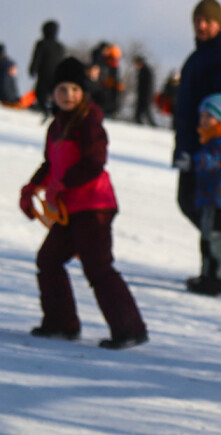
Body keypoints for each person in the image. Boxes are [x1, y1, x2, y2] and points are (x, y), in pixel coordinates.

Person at [19, 58, 147, 349]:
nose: (68, 95)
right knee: (49, 260)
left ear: (83, 92)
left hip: (94, 207)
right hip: (70, 210)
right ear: (53, 93)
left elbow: (95, 162)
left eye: (75, 89)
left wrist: (62, 185)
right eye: (62, 89)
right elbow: (51, 164)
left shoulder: (89, 121)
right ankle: (61, 323)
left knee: (97, 266)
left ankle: (130, 329)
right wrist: (31, 188)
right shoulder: (55, 127)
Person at [174, 0, 221, 281]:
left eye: (207, 21)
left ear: (219, 23)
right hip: (193, 139)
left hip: (209, 144)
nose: (202, 26)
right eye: (198, 21)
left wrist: (216, 125)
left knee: (203, 207)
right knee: (190, 202)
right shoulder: (202, 54)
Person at [185, 93, 221, 295]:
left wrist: (192, 163)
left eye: (207, 116)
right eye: (201, 116)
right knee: (219, 241)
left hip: (219, 202)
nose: (202, 121)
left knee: (211, 243)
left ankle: (212, 281)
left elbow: (212, 160)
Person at [27, 20, 66, 112]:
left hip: (44, 72)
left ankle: (42, 107)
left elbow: (37, 57)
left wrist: (33, 69)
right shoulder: (59, 46)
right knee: (53, 92)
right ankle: (51, 108)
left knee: (41, 91)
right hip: (56, 74)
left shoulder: (42, 43)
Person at [90, 43, 124, 117]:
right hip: (99, 92)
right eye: (112, 58)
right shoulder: (100, 62)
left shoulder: (112, 66)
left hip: (108, 95)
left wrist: (116, 84)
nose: (114, 61)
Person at [131, 55, 156, 125]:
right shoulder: (142, 71)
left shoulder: (146, 71)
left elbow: (148, 85)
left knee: (146, 110)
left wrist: (147, 95)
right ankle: (139, 122)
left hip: (145, 95)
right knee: (140, 111)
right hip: (142, 94)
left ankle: (152, 124)